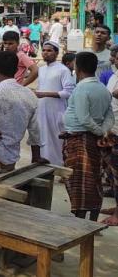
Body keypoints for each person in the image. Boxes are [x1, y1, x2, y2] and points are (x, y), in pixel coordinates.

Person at [62, 51, 115, 221]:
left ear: (77, 67)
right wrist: (102, 131)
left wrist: (99, 132)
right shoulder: (102, 88)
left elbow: (84, 118)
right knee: (94, 179)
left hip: (81, 139)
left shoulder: (82, 89)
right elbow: (110, 117)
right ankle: (91, 219)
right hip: (91, 138)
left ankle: (81, 222)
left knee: (81, 181)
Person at [0, 51, 43, 173]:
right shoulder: (29, 95)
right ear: (16, 69)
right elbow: (35, 131)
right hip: (11, 158)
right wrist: (36, 156)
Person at [35, 41, 76, 165]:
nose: (45, 53)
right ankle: (45, 166)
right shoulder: (41, 70)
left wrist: (45, 94)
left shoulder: (63, 70)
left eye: (49, 51)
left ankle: (59, 166)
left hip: (56, 110)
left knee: (57, 140)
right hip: (42, 110)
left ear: (56, 53)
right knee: (43, 138)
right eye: (44, 50)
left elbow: (69, 92)